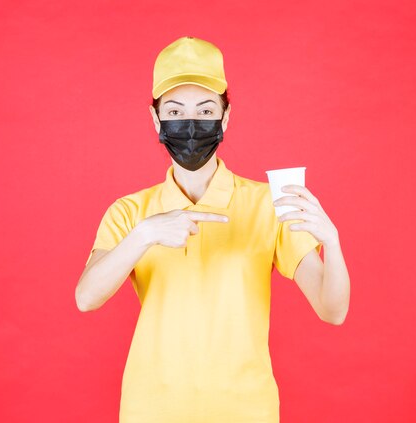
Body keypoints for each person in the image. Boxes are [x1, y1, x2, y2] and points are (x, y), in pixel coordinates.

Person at [75, 36, 350, 423]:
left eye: (205, 110)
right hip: (151, 410)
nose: (190, 125)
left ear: (226, 116)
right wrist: (144, 234)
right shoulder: (131, 211)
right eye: (174, 111)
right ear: (156, 119)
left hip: (245, 411)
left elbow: (332, 309)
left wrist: (332, 243)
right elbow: (86, 298)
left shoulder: (267, 203)